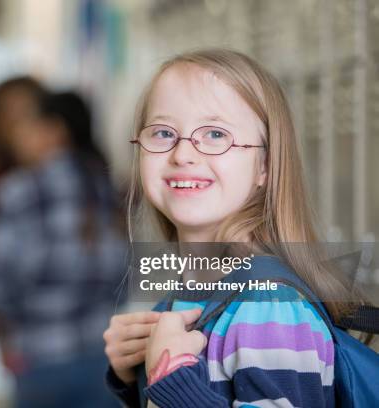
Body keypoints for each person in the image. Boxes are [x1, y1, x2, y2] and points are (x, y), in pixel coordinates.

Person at [102, 48, 372, 407]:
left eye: (215, 134)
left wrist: (171, 375)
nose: (183, 154)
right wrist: (133, 374)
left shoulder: (268, 306)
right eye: (164, 132)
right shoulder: (194, 292)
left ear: (265, 166)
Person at [0, 85, 125, 408]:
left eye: (28, 123)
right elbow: (121, 275)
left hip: (38, 356)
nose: (17, 134)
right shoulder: (104, 188)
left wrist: (2, 336)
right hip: (101, 356)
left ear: (54, 131)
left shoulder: (17, 190)